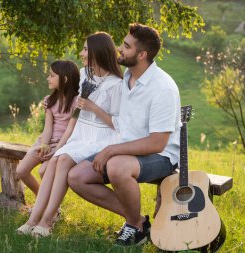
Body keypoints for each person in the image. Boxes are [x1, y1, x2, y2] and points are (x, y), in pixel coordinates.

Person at [68, 23, 181, 247]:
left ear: (142, 54)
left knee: (117, 166)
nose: (119, 48)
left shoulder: (163, 88)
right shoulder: (128, 77)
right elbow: (120, 124)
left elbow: (158, 142)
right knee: (76, 177)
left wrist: (111, 150)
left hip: (162, 156)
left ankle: (134, 228)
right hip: (126, 149)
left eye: (126, 46)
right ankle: (137, 221)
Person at [17, 32, 123, 237]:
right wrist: (59, 142)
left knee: (62, 159)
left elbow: (119, 125)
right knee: (56, 160)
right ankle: (32, 220)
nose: (81, 53)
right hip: (80, 136)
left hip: (100, 139)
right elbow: (75, 110)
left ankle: (46, 223)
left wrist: (94, 108)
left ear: (97, 52)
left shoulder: (116, 85)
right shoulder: (84, 74)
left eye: (85, 49)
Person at [16, 60, 80, 196]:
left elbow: (71, 131)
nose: (48, 78)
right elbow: (48, 127)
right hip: (46, 140)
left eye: (52, 75)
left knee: (43, 171)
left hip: (64, 144)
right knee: (21, 170)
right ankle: (41, 199)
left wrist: (56, 150)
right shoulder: (49, 100)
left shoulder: (76, 103)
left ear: (65, 79)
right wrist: (44, 144)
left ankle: (53, 209)